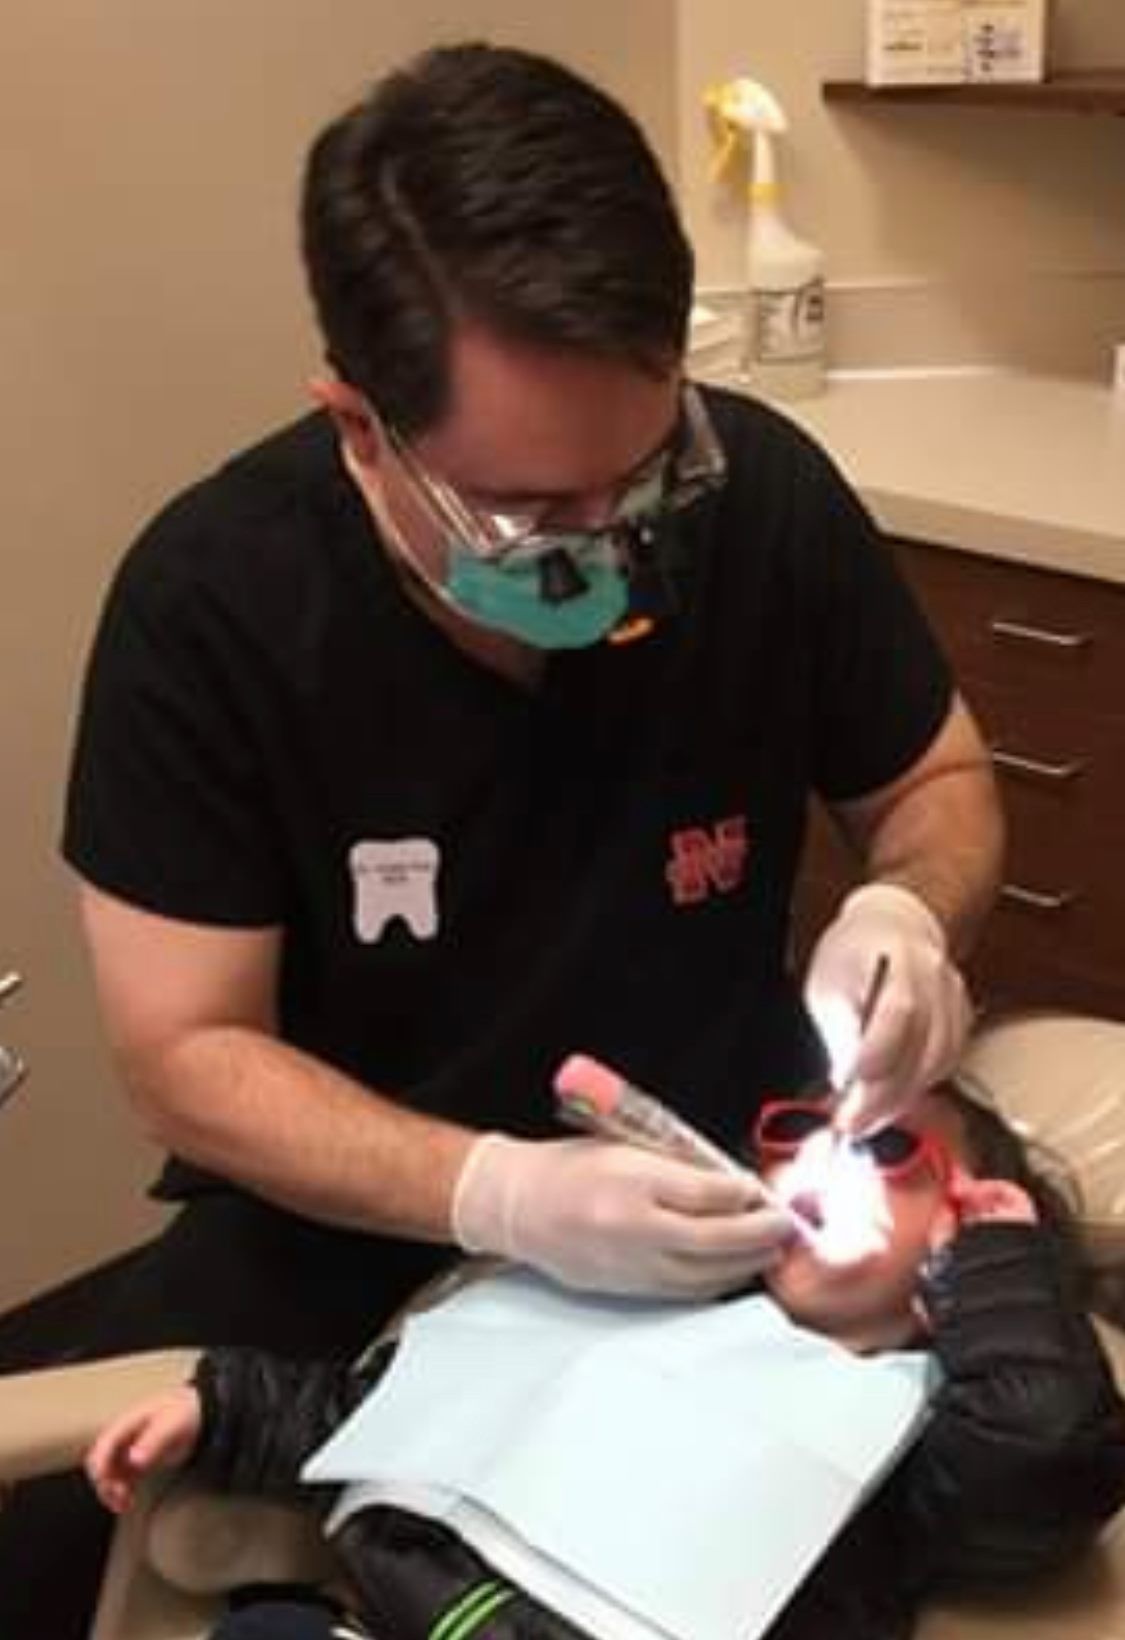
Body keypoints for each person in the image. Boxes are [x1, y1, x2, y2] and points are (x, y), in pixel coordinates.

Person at [0, 40, 1002, 1637]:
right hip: (349, 1229)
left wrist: (909, 910)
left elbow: (936, 788)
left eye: (648, 476)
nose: (612, 549)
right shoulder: (214, 607)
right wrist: (498, 1197)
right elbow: (183, 1051)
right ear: (357, 425)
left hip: (733, 1180)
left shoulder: (767, 500)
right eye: (533, 519)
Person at [85, 1082, 1125, 1640]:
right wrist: (224, 1405)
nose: (818, 1159)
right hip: (386, 1611)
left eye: (886, 1150)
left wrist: (1001, 1261)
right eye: (804, 1126)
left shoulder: (924, 1435)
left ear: (970, 1221)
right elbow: (398, 1410)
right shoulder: (643, 1306)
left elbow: (1045, 1454)